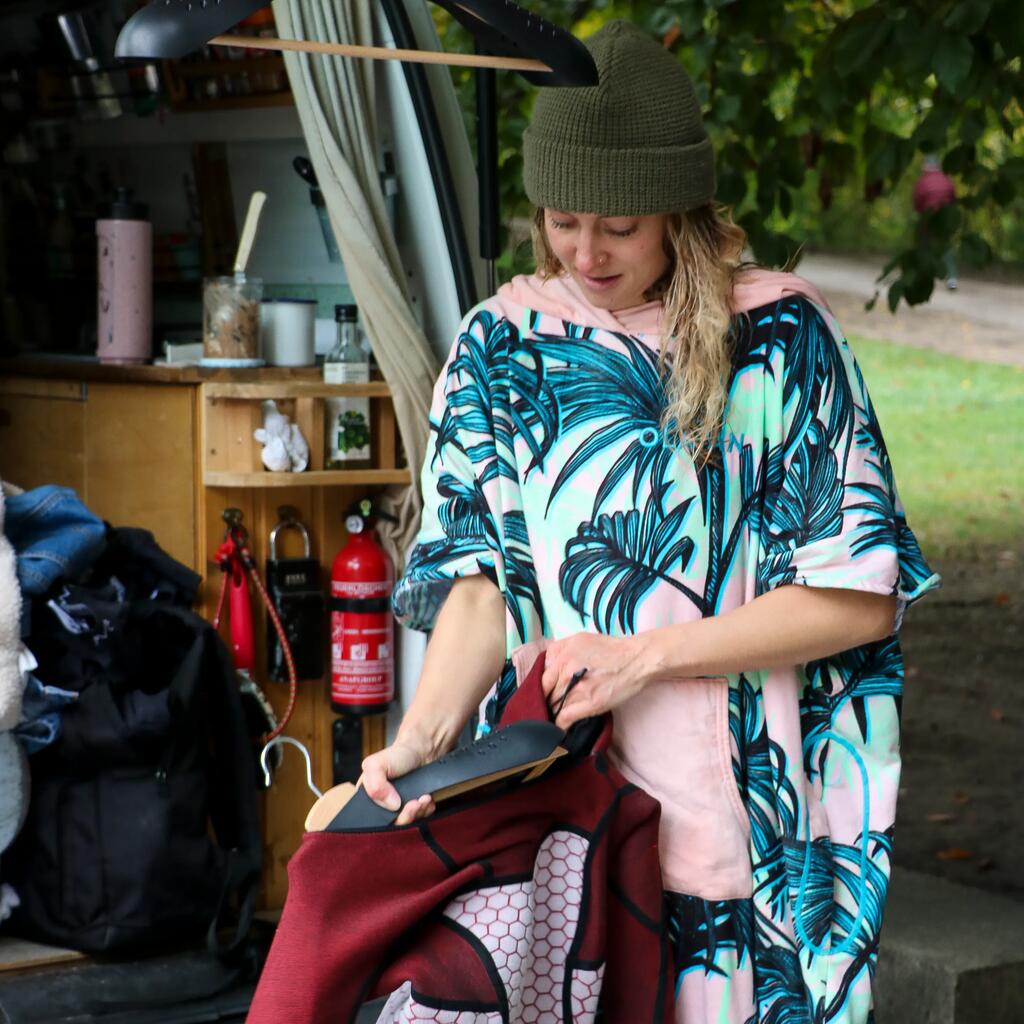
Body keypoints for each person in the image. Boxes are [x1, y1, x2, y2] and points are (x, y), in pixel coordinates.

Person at [366, 20, 939, 1024]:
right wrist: (425, 737)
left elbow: (857, 601)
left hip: (748, 838)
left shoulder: (779, 342)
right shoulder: (503, 346)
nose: (585, 250)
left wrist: (645, 657)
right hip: (561, 831)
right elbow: (479, 584)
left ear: (678, 209)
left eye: (619, 225)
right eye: (562, 217)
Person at [913, 155, 959, 290]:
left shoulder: (922, 182)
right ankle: (951, 278)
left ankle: (921, 276)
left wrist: (923, 215)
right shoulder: (947, 179)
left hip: (929, 216)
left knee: (923, 244)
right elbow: (953, 199)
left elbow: (917, 203)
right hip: (945, 217)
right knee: (946, 247)